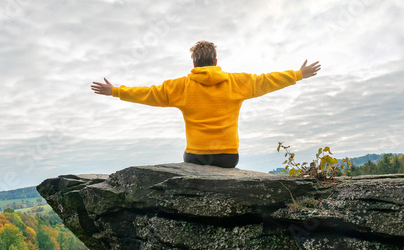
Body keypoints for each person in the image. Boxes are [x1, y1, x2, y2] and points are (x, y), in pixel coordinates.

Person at [91, 40, 320, 168]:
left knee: (188, 161)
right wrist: (298, 74)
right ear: (216, 61)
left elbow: (149, 93)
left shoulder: (180, 86)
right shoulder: (237, 82)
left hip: (196, 156)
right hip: (228, 157)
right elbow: (268, 80)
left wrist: (115, 91)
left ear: (193, 62)